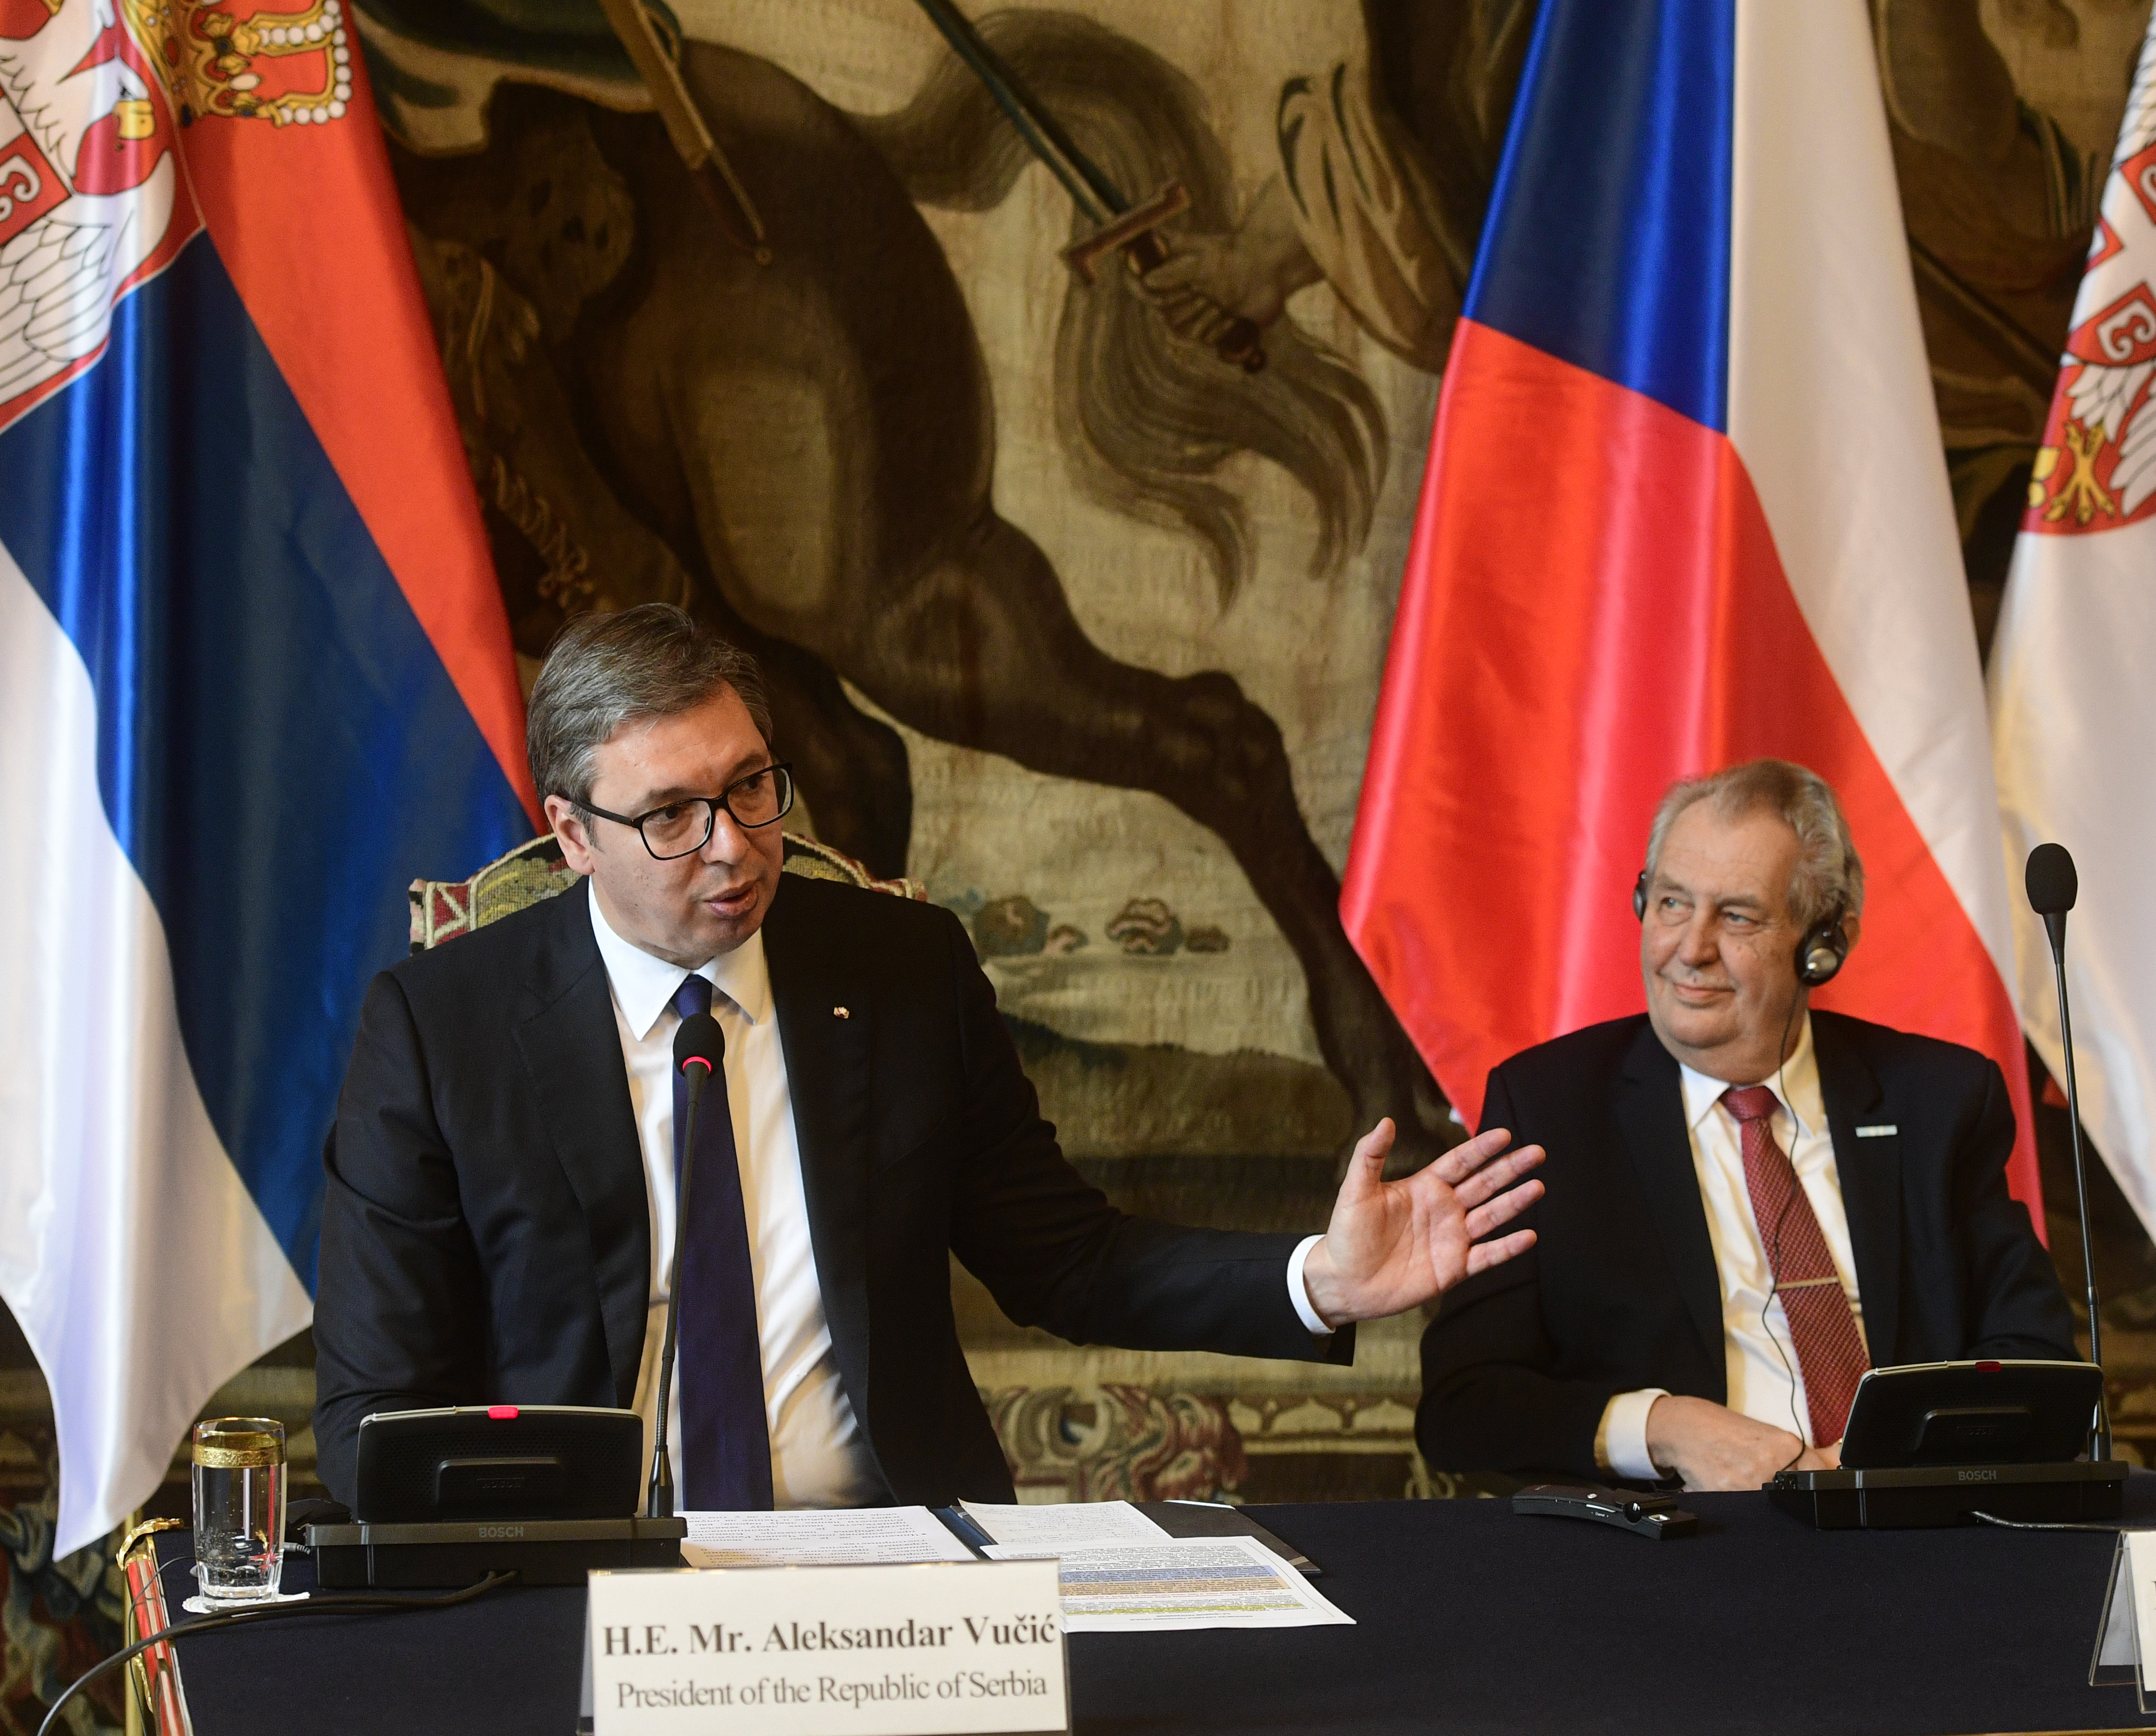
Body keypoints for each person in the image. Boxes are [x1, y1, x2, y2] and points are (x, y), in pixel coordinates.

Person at [314, 605, 1544, 1511]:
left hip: (897, 1578)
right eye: (672, 814)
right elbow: (374, 1416)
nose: (736, 847)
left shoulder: (900, 971)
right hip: (583, 1582)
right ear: (574, 835)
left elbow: (1068, 1258)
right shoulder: (441, 1030)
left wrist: (1318, 1278)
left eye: (752, 788)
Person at [1415, 760, 2072, 1490]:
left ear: (1825, 945)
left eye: (1736, 917)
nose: (1689, 949)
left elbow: (2036, 1363)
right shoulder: (1551, 1110)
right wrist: (1662, 1428)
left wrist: (1887, 1463)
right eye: (1670, 903)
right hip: (1677, 1560)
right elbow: (1462, 1407)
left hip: (1912, 1537)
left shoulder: (1937, 1101)